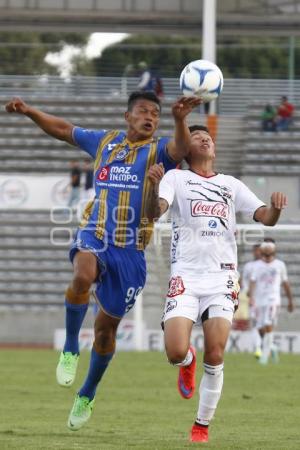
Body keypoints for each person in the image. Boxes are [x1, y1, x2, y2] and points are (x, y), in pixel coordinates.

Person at [5, 90, 201, 430]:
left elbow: (182, 149)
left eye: (155, 113)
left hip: (131, 252)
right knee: (82, 275)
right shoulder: (105, 142)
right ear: (128, 117)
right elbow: (65, 130)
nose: (150, 116)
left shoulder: (160, 151)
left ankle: (87, 393)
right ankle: (69, 349)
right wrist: (29, 111)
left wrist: (180, 119)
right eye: (143, 110)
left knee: (105, 333)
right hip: (95, 232)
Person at [146, 124, 287, 443]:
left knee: (216, 351)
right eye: (196, 137)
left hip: (222, 277)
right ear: (186, 149)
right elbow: (157, 211)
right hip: (185, 276)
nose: (205, 139)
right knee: (175, 350)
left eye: (207, 136)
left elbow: (265, 216)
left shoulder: (230, 184)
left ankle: (201, 425)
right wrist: (154, 188)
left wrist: (276, 208)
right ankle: (186, 362)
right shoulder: (176, 178)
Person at [249, 240, 294, 365]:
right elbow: (253, 282)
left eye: (270, 253)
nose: (267, 256)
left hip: (273, 299)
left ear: (274, 252)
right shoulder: (256, 265)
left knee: (268, 324)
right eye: (265, 253)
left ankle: (264, 356)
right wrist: (251, 297)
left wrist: (290, 300)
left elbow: (285, 283)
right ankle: (272, 347)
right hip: (259, 300)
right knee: (260, 328)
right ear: (262, 252)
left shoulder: (280, 265)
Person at [240, 244, 262, 358]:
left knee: (265, 325)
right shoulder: (249, 266)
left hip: (265, 298)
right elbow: (244, 281)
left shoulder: (266, 265)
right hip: (252, 298)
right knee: (254, 323)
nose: (257, 253)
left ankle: (269, 347)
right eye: (255, 251)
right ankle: (258, 348)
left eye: (259, 250)